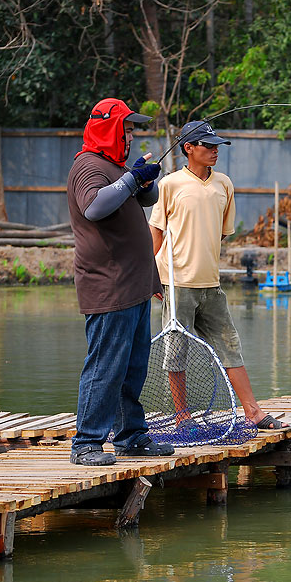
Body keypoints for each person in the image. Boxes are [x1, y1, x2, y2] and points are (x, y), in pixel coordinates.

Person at [149, 120, 288, 430]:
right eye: (207, 145)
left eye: (216, 146)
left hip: (212, 285)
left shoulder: (224, 184)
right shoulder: (169, 185)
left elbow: (222, 234)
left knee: (230, 345)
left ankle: (253, 411)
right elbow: (156, 232)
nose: (214, 150)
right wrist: (149, 276)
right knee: (176, 353)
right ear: (188, 148)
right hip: (176, 284)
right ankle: (182, 417)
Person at [67, 97, 175, 466]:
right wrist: (130, 178)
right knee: (105, 366)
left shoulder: (113, 166)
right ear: (109, 129)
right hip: (108, 287)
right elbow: (95, 207)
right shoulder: (89, 167)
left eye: (131, 130)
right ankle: (86, 444)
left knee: (133, 367)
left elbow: (145, 198)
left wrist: (142, 180)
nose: (130, 136)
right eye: (126, 129)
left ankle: (131, 437)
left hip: (135, 285)